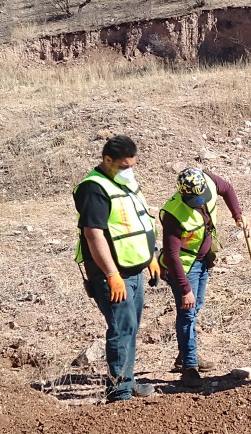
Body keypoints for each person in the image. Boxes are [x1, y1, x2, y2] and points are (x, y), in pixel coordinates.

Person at [73, 135, 160, 402]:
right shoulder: (94, 188)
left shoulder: (125, 183)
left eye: (132, 165)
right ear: (107, 160)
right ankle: (120, 391)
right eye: (123, 166)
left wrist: (150, 256)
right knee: (121, 328)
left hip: (134, 269)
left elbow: (139, 223)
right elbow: (93, 235)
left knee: (131, 326)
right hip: (112, 273)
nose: (128, 170)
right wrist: (111, 274)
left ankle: (127, 380)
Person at [159, 167, 247, 388]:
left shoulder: (206, 179)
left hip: (203, 259)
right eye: (195, 200)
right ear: (183, 194)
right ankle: (189, 368)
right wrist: (185, 288)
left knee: (196, 308)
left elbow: (227, 189)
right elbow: (171, 256)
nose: (200, 203)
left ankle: (185, 354)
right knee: (187, 312)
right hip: (184, 267)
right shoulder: (173, 213)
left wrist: (238, 215)